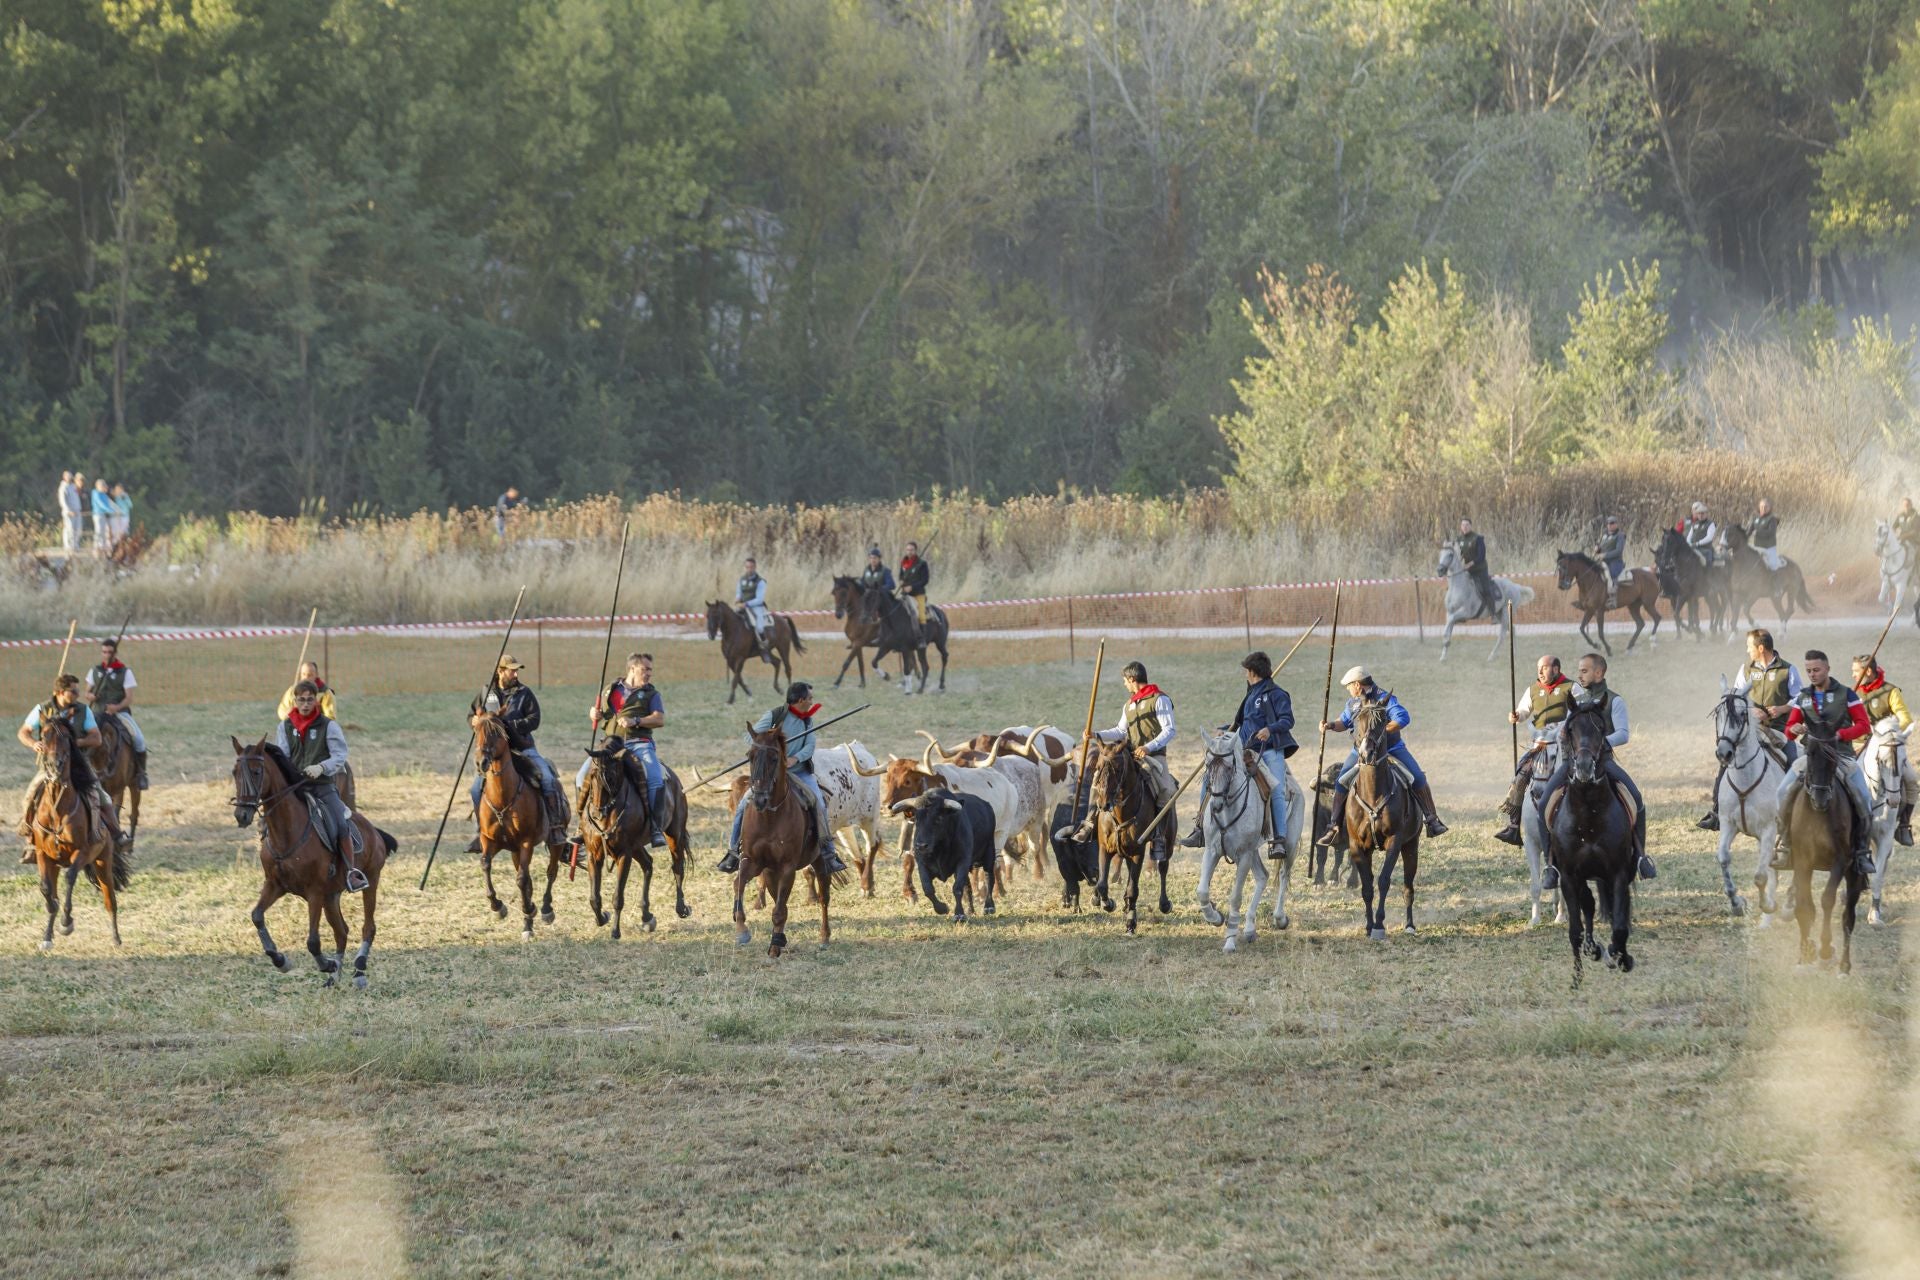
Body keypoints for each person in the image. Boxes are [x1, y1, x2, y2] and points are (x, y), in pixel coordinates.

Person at [1533, 653, 1653, 888]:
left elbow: (1623, 733)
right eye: (1579, 671)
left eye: (1585, 671)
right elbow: (1566, 730)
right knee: (1544, 804)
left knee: (1637, 800)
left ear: (1599, 673)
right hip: (1572, 764)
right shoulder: (1575, 700)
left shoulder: (1615, 701)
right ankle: (1551, 866)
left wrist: (1598, 744)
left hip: (1603, 762)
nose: (1579, 675)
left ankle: (1640, 857)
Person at [716, 681, 847, 877]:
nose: (812, 702)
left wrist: (796, 758)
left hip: (800, 771)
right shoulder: (775, 715)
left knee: (818, 801)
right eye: (810, 698)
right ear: (801, 700)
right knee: (744, 803)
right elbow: (749, 738)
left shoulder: (807, 721)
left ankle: (828, 853)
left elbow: (810, 745)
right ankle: (733, 851)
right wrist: (769, 740)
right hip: (772, 772)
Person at [1767, 651, 1875, 877]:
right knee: (1781, 793)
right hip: (1811, 756)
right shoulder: (1803, 697)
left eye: (1816, 670)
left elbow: (1864, 726)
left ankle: (1863, 851)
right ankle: (1785, 844)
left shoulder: (1846, 694)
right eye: (1808, 671)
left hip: (1841, 756)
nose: (1812, 674)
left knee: (1864, 798)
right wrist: (1793, 729)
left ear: (1827, 669)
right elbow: (1790, 727)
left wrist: (1841, 735)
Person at [1180, 650, 1297, 858]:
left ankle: (1278, 839)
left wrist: (1270, 729)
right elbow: (1243, 724)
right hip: (1243, 749)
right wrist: (1226, 730)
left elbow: (1288, 720)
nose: (1245, 675)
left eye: (1246, 671)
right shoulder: (1250, 694)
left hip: (1269, 751)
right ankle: (1200, 830)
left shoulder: (1278, 694)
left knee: (1277, 790)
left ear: (1252, 672)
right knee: (1210, 777)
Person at [1063, 662, 1180, 864]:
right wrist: (1096, 734)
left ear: (1132, 679)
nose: (1124, 684)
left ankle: (1159, 837)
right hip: (1128, 756)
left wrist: (1149, 747)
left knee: (1166, 790)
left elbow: (1169, 730)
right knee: (1100, 781)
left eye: (1125, 680)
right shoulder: (1129, 705)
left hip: (1153, 756)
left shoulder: (1160, 700)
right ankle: (1090, 823)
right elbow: (1120, 731)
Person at [1315, 666, 1448, 844]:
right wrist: (1330, 725)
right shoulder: (1353, 703)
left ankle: (1432, 819)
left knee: (1417, 777)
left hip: (1391, 748)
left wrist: (1380, 734)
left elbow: (1402, 718)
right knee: (1341, 781)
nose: (1348, 690)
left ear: (1357, 685)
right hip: (1361, 750)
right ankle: (1334, 827)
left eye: (1349, 686)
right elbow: (1344, 722)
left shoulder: (1386, 699)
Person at [1699, 628, 1801, 830]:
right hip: (1750, 730)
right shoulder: (1745, 669)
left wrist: (1780, 709)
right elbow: (1737, 695)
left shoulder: (1788, 670)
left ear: (1760, 648)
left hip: (1779, 730)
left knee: (1793, 760)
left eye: (1749, 647)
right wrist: (1750, 711)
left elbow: (1800, 698)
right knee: (1725, 761)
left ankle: (1794, 810)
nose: (1748, 651)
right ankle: (1717, 812)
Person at [465, 656, 568, 854]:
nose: (516, 674)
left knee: (547, 779)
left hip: (523, 748)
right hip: (494, 753)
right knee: (475, 789)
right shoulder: (486, 693)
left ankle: (555, 828)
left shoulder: (524, 693)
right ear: (500, 671)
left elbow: (534, 719)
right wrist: (475, 721)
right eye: (512, 670)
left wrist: (510, 725)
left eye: (517, 670)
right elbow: (471, 715)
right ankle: (481, 832)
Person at [275, 679, 367, 892]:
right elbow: (283, 755)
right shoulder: (285, 726)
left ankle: (350, 872)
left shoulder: (328, 725)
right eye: (301, 700)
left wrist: (321, 768)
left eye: (309, 700)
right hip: (296, 788)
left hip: (322, 786)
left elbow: (340, 755)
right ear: (294, 700)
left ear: (316, 700)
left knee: (340, 822)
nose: (305, 704)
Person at [16, 674, 121, 860]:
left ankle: (114, 835)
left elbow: (96, 738)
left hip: (79, 765)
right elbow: (23, 732)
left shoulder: (83, 711)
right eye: (73, 691)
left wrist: (75, 742)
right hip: (50, 766)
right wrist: (34, 743)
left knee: (102, 797)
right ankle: (31, 839)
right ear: (59, 692)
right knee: (30, 795)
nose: (77, 694)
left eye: (78, 690)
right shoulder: (42, 709)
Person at [578, 652, 667, 847]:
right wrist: (594, 713)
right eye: (645, 669)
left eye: (651, 669)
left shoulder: (652, 694)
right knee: (581, 776)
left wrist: (636, 720)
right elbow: (601, 714)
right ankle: (582, 825)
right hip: (610, 744)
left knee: (655, 778)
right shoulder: (611, 690)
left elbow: (659, 719)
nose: (649, 673)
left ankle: (655, 827)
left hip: (639, 743)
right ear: (632, 669)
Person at [1492, 655, 1575, 847]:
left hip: (1565, 742)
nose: (1539, 671)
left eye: (1544, 667)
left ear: (1555, 669)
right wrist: (1516, 715)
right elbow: (1523, 711)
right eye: (1538, 667)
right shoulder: (1533, 690)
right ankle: (1514, 826)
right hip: (1539, 742)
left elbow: (1580, 711)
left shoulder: (1572, 688)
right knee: (1521, 774)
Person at [1852, 655, 1916, 847]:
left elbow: (1905, 719)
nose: (1853, 675)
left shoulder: (1891, 691)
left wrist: (1886, 732)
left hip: (1888, 748)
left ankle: (1904, 824)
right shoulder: (1852, 693)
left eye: (1856, 671)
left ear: (1868, 671)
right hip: (1858, 745)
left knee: (1912, 780)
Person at [84, 637, 148, 790]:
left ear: (115, 653)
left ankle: (140, 773)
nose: (107, 655)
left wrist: (117, 707)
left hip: (119, 714)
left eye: (110, 652)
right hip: (97, 713)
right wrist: (90, 696)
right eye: (104, 652)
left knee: (139, 739)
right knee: (80, 739)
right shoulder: (95, 670)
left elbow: (129, 697)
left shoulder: (125, 672)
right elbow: (86, 691)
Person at [1453, 518, 1498, 617]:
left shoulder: (1478, 538)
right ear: (1460, 527)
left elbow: (1481, 556)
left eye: (1467, 525)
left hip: (1480, 570)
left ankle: (1493, 614)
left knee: (1485, 590)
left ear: (1471, 526)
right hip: (1466, 570)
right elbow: (1456, 555)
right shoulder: (1458, 539)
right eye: (1463, 525)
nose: (1464, 527)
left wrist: (1470, 564)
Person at [736, 556, 773, 658]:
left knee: (760, 628)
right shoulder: (741, 579)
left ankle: (765, 649)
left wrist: (747, 604)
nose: (749, 569)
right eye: (747, 567)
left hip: (756, 607)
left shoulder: (760, 581)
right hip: (743, 606)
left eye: (751, 567)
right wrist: (738, 598)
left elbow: (759, 599)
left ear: (755, 567)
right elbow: (739, 592)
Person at [898, 540, 931, 642]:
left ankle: (922, 639)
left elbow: (925, 580)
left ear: (915, 551)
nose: (909, 552)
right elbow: (900, 575)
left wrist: (912, 587)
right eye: (908, 550)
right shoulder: (903, 563)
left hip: (918, 594)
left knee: (921, 615)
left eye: (911, 550)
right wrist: (901, 581)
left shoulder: (922, 564)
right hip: (905, 594)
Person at [1592, 516, 1627, 606]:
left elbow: (1618, 551)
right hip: (1601, 560)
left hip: (1615, 562)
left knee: (1611, 575)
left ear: (1616, 524)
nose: (1609, 525)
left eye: (1612, 523)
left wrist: (1605, 555)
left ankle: (1613, 599)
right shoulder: (1604, 534)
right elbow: (1601, 545)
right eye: (1608, 523)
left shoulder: (1620, 536)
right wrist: (1597, 548)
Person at [857, 547, 894, 626]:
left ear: (879, 559)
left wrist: (880, 589)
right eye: (871, 558)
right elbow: (863, 582)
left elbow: (891, 584)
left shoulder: (885, 571)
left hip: (881, 597)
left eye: (875, 558)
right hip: (869, 596)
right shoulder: (866, 570)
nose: (873, 560)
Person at [1746, 498, 1781, 572]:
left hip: (1769, 548)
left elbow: (1771, 532)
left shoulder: (1772, 519)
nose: (1763, 508)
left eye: (1766, 507)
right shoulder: (1755, 518)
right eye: (1761, 506)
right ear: (1759, 507)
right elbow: (1748, 532)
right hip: (1757, 547)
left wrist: (1758, 532)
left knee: (1773, 567)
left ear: (1770, 508)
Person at [1684, 501, 1718, 566]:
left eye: (1702, 513)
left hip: (1705, 548)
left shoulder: (1710, 524)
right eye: (1699, 513)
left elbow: (1709, 538)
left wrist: (1697, 543)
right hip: (1693, 548)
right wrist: (1689, 543)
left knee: (1707, 558)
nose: (1700, 515)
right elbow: (1689, 536)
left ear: (1706, 514)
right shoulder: (1694, 524)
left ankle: (1708, 574)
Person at [57, 472, 82, 554]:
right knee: (69, 529)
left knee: (77, 529)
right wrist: (68, 510)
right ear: (64, 477)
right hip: (69, 512)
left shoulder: (73, 486)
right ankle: (68, 546)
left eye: (70, 476)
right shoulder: (63, 487)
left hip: (77, 511)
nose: (69, 477)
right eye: (68, 476)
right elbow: (62, 500)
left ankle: (75, 545)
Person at [90, 478, 115, 555]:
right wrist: (110, 510)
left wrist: (114, 510)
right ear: (98, 486)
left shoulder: (104, 494)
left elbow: (108, 504)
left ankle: (102, 547)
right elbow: (101, 504)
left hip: (103, 515)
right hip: (98, 515)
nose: (105, 487)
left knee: (104, 531)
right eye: (103, 486)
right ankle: (96, 548)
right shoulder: (95, 493)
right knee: (99, 531)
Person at [110, 483, 132, 548]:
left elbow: (130, 505)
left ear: (122, 489)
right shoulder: (116, 496)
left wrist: (125, 498)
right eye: (117, 489)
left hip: (125, 515)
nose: (118, 490)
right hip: (117, 516)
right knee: (117, 531)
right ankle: (116, 545)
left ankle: (124, 544)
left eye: (119, 489)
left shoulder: (125, 496)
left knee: (124, 530)